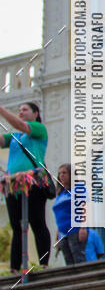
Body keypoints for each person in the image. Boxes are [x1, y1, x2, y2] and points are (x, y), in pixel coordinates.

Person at [0, 101, 51, 272]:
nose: (21, 112)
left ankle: (44, 263)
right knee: (17, 226)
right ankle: (15, 267)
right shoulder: (15, 137)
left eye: (25, 109)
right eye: (19, 109)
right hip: (13, 183)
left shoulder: (38, 129)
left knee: (38, 223)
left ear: (36, 113)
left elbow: (20, 125)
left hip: (33, 181)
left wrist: (1, 109)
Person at [52, 163, 87, 265]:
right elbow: (59, 218)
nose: (61, 175)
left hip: (75, 230)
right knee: (69, 262)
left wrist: (83, 228)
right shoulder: (60, 194)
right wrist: (57, 238)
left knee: (78, 258)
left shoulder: (78, 189)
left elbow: (84, 207)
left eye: (64, 173)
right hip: (63, 234)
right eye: (59, 174)